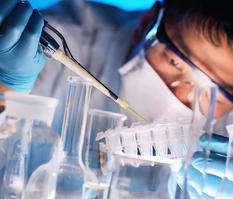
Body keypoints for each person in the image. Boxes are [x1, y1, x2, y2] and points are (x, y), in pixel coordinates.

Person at [0, 0, 233, 198]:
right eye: (175, 62)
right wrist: (6, 85)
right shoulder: (53, 40)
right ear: (147, 24)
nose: (182, 98)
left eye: (216, 92)